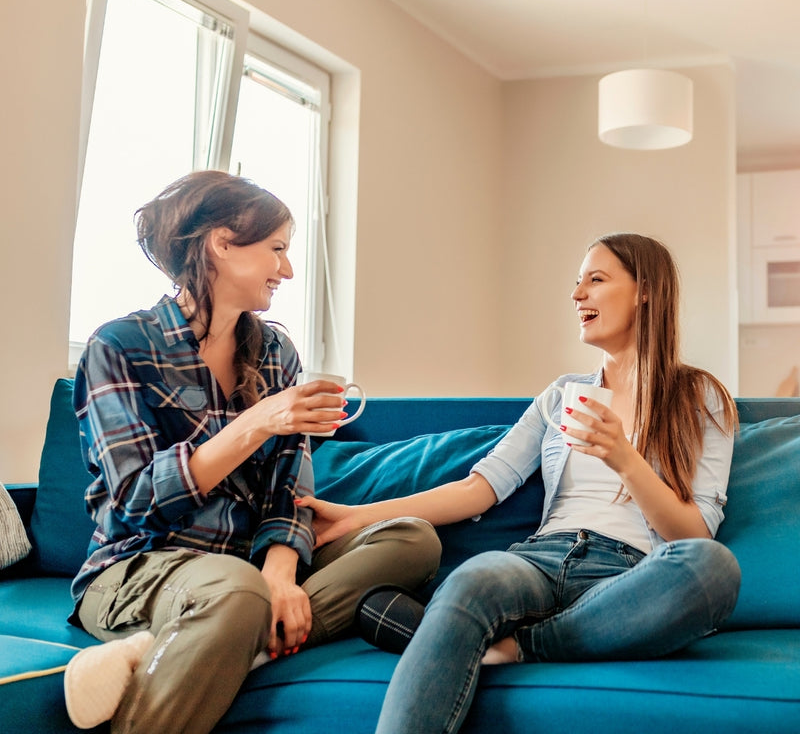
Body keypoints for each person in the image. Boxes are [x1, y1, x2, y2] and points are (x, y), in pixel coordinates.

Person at [298, 232, 742, 734]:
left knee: (713, 569)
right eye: (577, 282)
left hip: (629, 574)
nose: (577, 294)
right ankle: (484, 635)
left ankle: (513, 645)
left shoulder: (700, 396)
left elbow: (694, 536)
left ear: (645, 291)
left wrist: (626, 460)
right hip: (541, 559)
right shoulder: (561, 395)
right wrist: (356, 517)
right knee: (473, 579)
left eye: (596, 280)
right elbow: (479, 488)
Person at [62, 171, 441, 733]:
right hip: (139, 567)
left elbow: (291, 485)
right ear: (221, 243)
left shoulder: (276, 352)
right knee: (236, 593)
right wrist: (257, 423)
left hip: (245, 571)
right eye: (277, 249)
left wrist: (281, 574)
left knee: (411, 538)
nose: (287, 270)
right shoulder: (119, 346)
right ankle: (216, 629)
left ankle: (201, 646)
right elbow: (134, 503)